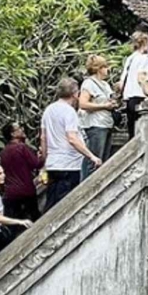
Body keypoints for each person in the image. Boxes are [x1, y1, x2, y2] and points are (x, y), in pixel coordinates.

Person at [40, 78, 101, 214]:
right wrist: (91, 156)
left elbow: (43, 137)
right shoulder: (69, 112)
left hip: (53, 163)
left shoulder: (49, 110)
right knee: (64, 206)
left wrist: (45, 160)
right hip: (68, 164)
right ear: (75, 94)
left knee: (51, 203)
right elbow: (72, 138)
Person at [79, 54, 118, 179]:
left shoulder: (105, 85)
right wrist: (104, 106)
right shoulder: (88, 83)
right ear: (99, 69)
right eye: (105, 67)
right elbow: (83, 104)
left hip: (106, 123)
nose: (107, 70)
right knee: (93, 160)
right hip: (95, 124)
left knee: (103, 160)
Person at [0, 123, 44, 224]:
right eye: (19, 128)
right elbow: (36, 164)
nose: (22, 129)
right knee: (35, 217)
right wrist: (43, 156)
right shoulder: (21, 147)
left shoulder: (3, 153)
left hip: (10, 193)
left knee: (15, 223)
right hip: (26, 189)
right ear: (13, 134)